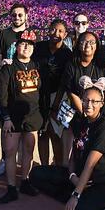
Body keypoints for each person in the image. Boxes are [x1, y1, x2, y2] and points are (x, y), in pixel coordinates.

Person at [30, 76, 105, 210]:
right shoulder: (80, 121)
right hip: (78, 177)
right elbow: (74, 155)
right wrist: (72, 176)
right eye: (86, 100)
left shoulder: (104, 126)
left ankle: (102, 204)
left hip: (99, 183)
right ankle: (78, 199)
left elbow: (90, 164)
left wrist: (76, 195)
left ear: (101, 104)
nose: (89, 104)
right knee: (36, 175)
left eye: (94, 101)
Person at [0, 29, 44, 203]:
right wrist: (6, 117)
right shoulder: (8, 68)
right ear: (17, 46)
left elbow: (42, 91)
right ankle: (11, 187)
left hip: (33, 116)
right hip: (13, 117)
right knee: (10, 152)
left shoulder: (38, 66)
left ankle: (25, 181)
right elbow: (1, 96)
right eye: (23, 44)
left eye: (29, 45)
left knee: (29, 150)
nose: (26, 47)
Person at [60, 31, 105, 166]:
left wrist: (93, 112)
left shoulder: (102, 65)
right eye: (83, 42)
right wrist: (83, 112)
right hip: (77, 111)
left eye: (91, 42)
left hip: (97, 112)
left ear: (97, 45)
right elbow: (71, 92)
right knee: (70, 136)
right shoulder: (72, 65)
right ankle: (67, 169)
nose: (87, 45)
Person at [0, 2, 29, 177]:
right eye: (14, 15)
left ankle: (22, 163)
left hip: (24, 87)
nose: (17, 18)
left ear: (26, 16)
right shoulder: (3, 34)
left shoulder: (29, 34)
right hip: (6, 85)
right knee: (5, 123)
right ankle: (5, 160)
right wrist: (3, 64)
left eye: (20, 15)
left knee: (24, 125)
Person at [33, 19, 73, 166]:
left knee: (55, 133)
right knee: (42, 133)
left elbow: (65, 82)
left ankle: (57, 167)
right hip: (38, 95)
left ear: (65, 34)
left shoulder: (67, 54)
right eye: (53, 30)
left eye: (60, 31)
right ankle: (44, 168)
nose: (56, 33)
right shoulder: (38, 48)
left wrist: (55, 105)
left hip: (58, 95)